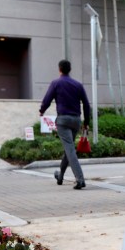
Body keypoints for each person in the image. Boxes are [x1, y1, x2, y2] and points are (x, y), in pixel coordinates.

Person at [39, 60, 91, 190]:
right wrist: (86, 122)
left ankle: (80, 179)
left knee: (70, 150)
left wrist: (42, 111)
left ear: (60, 69)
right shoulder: (78, 85)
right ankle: (60, 175)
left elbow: (47, 99)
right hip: (76, 121)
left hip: (63, 120)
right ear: (69, 69)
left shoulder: (56, 83)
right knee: (69, 149)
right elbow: (86, 104)